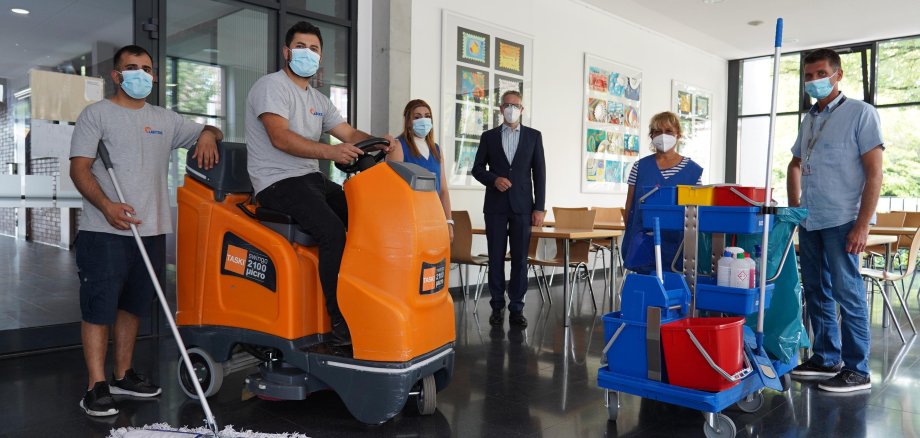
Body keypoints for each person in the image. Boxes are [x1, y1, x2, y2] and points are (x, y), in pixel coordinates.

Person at [70, 44, 222, 417]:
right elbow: (79, 169)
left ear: (154, 75)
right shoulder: (96, 115)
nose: (141, 74)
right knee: (99, 308)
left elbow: (213, 128)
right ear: (117, 76)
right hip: (104, 231)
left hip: (151, 229)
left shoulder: (165, 119)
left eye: (147, 68)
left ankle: (123, 375)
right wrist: (107, 207)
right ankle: (96, 385)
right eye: (132, 68)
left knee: (133, 306)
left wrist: (206, 134)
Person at [245, 21, 393, 347]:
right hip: (276, 182)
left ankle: (365, 307)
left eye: (314, 49)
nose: (307, 53)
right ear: (286, 51)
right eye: (300, 46)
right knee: (331, 231)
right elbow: (280, 138)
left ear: (320, 56)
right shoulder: (271, 87)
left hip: (311, 179)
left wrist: (379, 142)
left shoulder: (317, 99)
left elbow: (351, 135)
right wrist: (331, 151)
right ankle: (340, 324)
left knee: (365, 222)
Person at [788, 48, 883, 393]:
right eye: (808, 75)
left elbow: (875, 173)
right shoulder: (809, 119)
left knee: (848, 292)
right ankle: (826, 358)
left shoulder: (861, 113)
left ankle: (857, 369)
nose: (813, 80)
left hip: (843, 220)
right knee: (816, 290)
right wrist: (795, 208)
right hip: (811, 220)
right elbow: (794, 164)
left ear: (838, 75)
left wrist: (863, 224)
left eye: (820, 73)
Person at [472, 90, 546, 328]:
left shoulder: (534, 136)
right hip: (495, 205)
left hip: (523, 207)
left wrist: (540, 207)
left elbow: (540, 174)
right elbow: (477, 168)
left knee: (520, 260)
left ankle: (517, 307)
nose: (511, 109)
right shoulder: (489, 136)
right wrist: (493, 179)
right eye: (507, 105)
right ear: (500, 108)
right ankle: (496, 305)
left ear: (522, 110)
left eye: (516, 105)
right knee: (495, 257)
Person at [621, 111, 702, 274]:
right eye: (658, 131)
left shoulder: (693, 171)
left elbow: (697, 209)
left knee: (675, 289)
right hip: (644, 243)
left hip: (679, 245)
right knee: (646, 289)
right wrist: (632, 234)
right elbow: (630, 205)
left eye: (669, 131)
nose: (663, 136)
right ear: (651, 136)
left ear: (678, 134)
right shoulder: (639, 167)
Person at [387, 99, 454, 241]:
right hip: (410, 218)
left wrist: (448, 221)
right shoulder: (399, 146)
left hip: (434, 217)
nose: (423, 120)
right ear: (408, 121)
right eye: (417, 117)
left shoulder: (436, 149)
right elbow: (392, 189)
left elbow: (442, 190)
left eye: (427, 116)